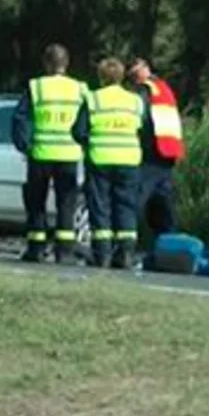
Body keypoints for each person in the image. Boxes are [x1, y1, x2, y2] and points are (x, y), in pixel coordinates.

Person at [11, 43, 89, 265]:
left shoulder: (36, 87)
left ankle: (36, 249)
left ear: (46, 64)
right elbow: (87, 119)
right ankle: (64, 252)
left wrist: (24, 145)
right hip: (69, 155)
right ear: (67, 64)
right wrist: (83, 143)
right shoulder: (80, 88)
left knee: (36, 202)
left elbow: (20, 117)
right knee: (67, 203)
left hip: (41, 153)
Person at [71, 57, 144, 269]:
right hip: (129, 160)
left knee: (100, 206)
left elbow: (78, 131)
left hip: (100, 160)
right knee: (126, 206)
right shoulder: (135, 101)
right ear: (121, 77)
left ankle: (102, 255)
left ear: (101, 77)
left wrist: (91, 143)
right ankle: (126, 254)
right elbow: (143, 128)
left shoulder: (93, 99)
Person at [128, 58, 184, 238]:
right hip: (168, 151)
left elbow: (141, 120)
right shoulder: (163, 87)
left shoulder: (144, 90)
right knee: (162, 204)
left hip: (152, 151)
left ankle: (125, 243)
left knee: (136, 200)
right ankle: (169, 244)